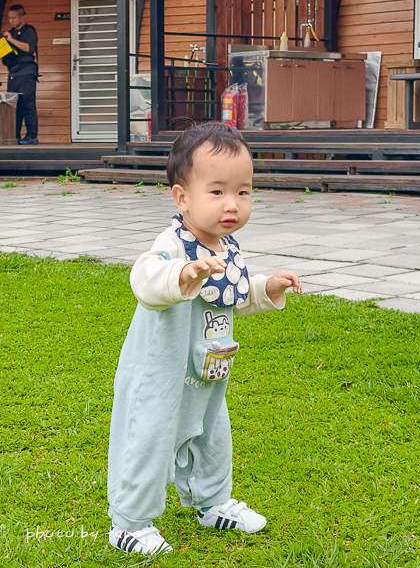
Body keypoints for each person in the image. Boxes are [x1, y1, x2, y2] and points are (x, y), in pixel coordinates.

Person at [106, 121, 303, 555]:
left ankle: (211, 501)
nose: (232, 204)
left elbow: (232, 293)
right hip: (162, 373)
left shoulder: (227, 246)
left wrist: (267, 287)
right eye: (217, 192)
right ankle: (129, 521)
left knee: (213, 435)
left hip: (210, 368)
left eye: (243, 192)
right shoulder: (174, 244)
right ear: (182, 197)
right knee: (149, 438)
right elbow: (144, 277)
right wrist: (182, 273)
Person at [0, 5, 39, 144]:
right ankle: (15, 135)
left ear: (21, 17)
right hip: (13, 73)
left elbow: (28, 48)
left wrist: (11, 39)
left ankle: (32, 135)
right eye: (9, 18)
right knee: (14, 106)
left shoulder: (28, 31)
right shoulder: (11, 32)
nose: (11, 21)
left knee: (27, 105)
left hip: (27, 72)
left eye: (14, 18)